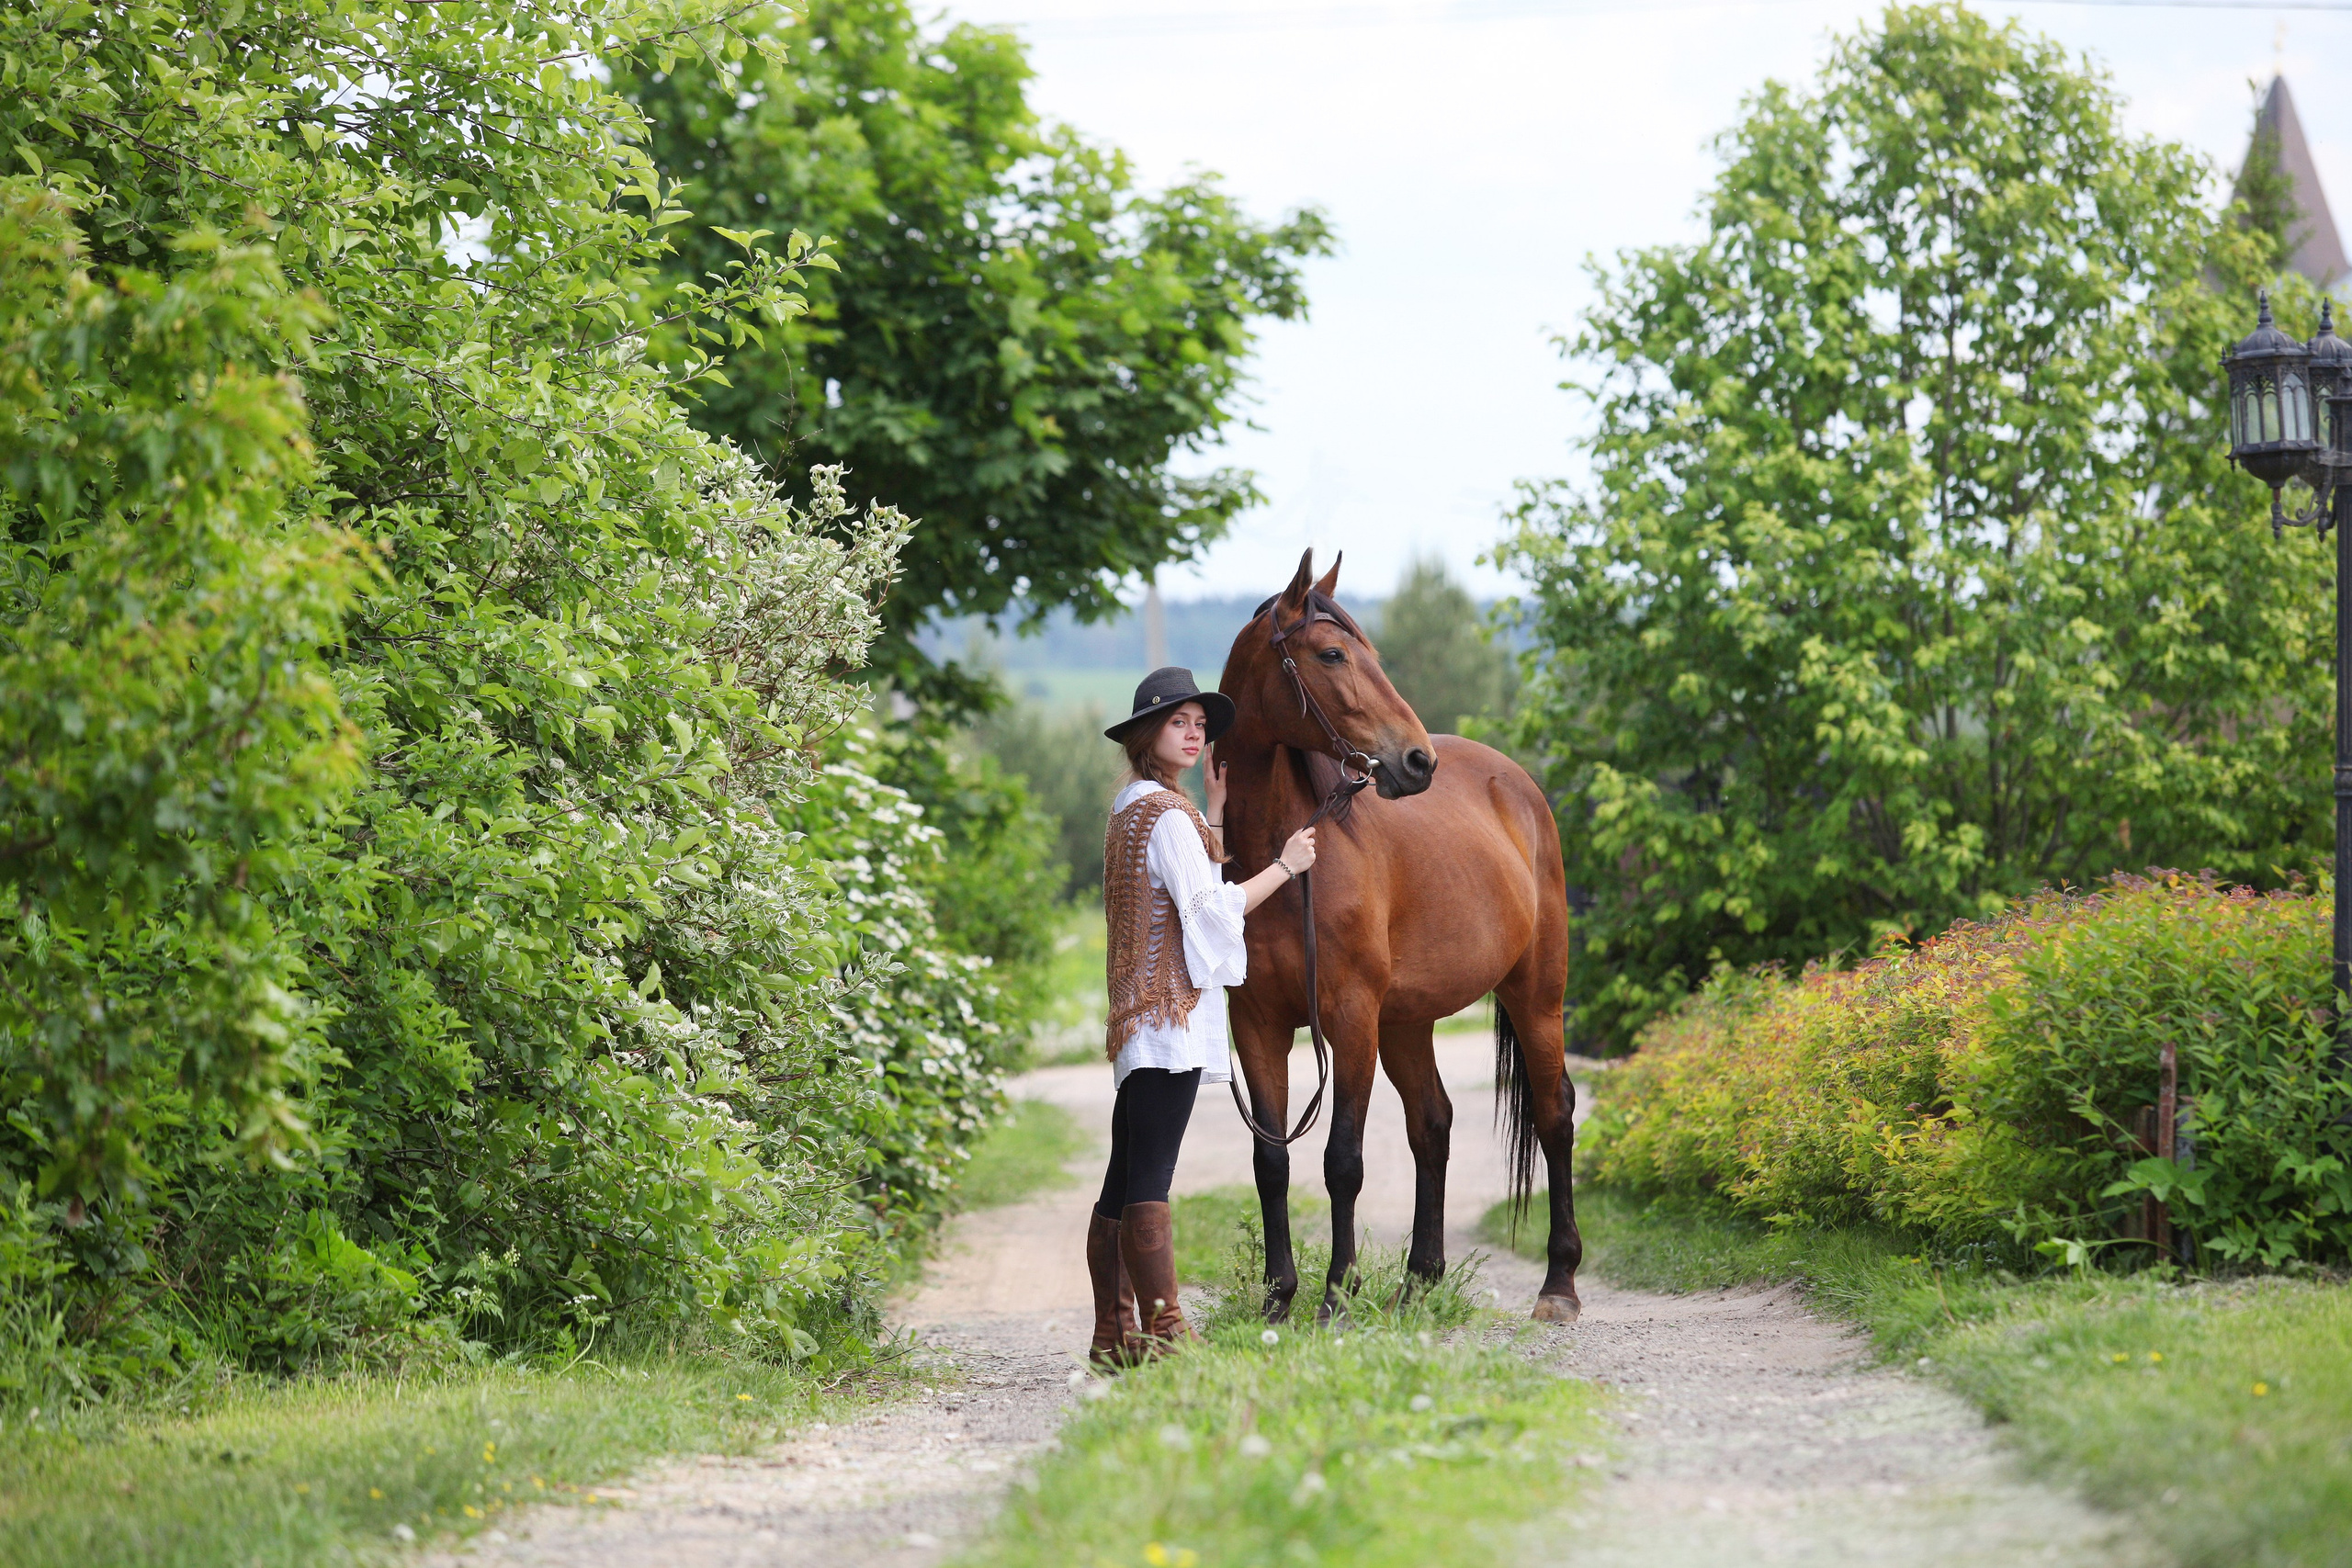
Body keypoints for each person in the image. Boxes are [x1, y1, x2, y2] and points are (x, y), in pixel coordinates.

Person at [1090, 666, 1318, 1366]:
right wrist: (1286, 865)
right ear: (1146, 734)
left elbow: (1188, 877)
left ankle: (1113, 1336)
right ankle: (1165, 1331)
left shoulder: (1132, 806)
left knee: (1123, 1177)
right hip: (1169, 1020)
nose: (1193, 735)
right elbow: (1211, 909)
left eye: (1198, 724)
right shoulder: (1167, 815)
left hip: (1139, 1017)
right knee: (1149, 1178)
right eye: (1177, 723)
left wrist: (1214, 810)